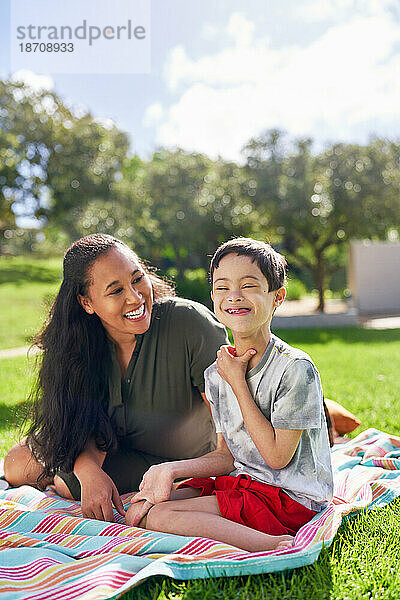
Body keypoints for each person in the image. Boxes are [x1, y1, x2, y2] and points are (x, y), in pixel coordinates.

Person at [126, 238, 334, 552]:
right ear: (213, 297)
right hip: (249, 485)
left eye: (249, 285)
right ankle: (237, 527)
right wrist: (168, 470)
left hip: (293, 498)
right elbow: (227, 457)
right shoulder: (216, 373)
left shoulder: (294, 369)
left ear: (276, 297)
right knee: (138, 510)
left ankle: (273, 545)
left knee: (160, 517)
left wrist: (238, 383)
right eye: (222, 288)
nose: (234, 296)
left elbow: (277, 458)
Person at [4, 234, 227, 522]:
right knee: (18, 463)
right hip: (124, 454)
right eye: (115, 290)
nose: (135, 297)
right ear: (87, 302)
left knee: (66, 482)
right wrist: (89, 472)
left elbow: (231, 440)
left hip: (191, 464)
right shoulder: (78, 346)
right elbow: (80, 424)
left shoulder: (189, 324)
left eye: (137, 279)